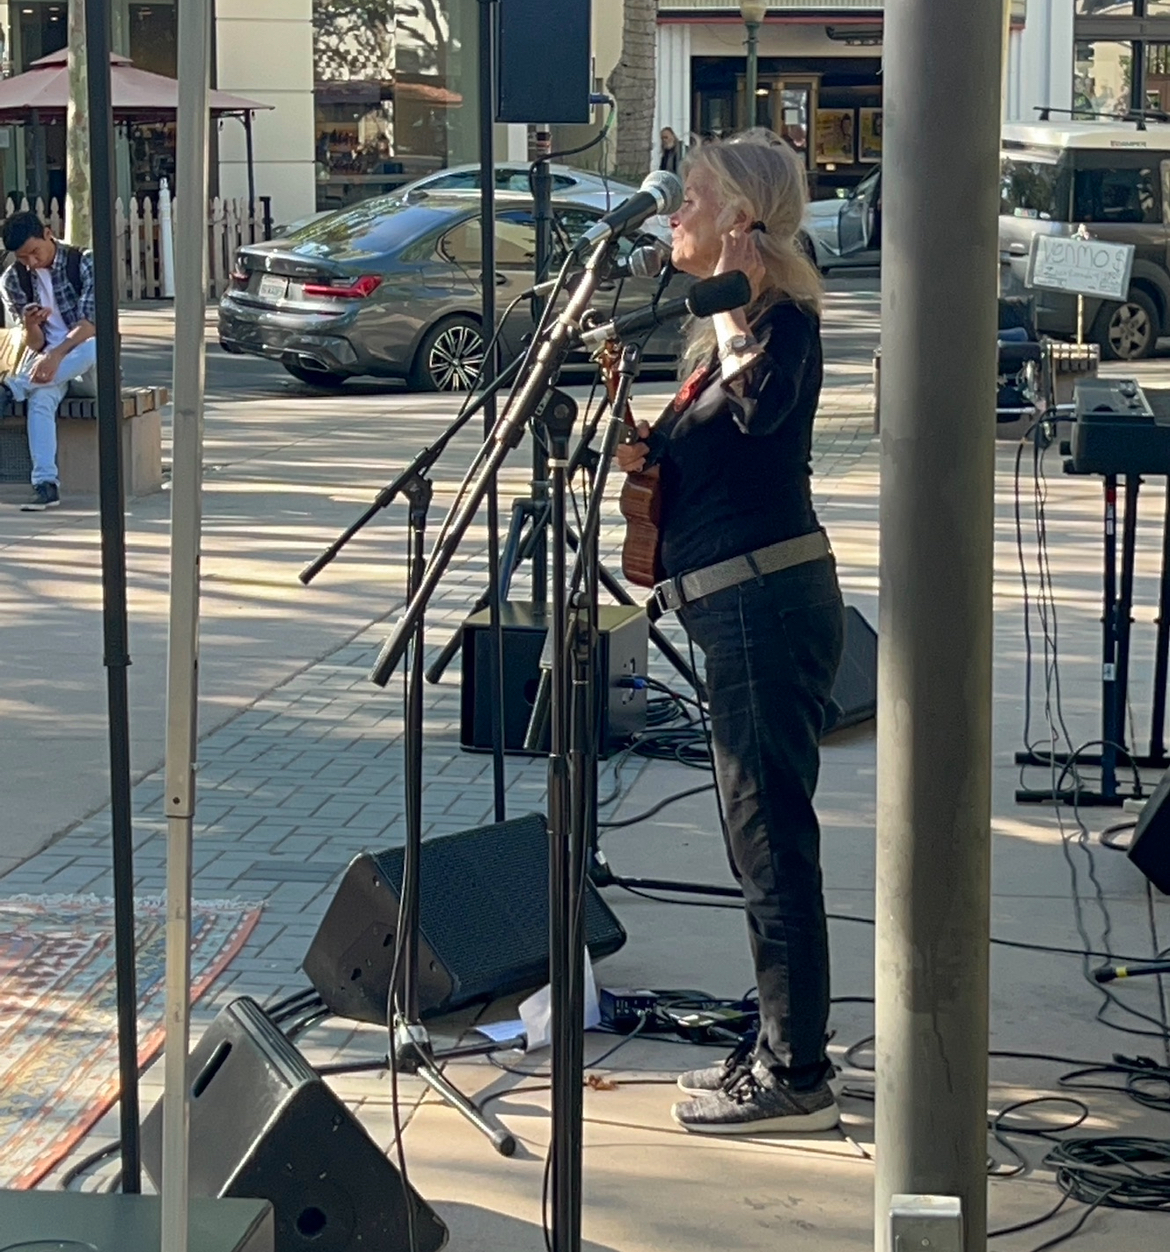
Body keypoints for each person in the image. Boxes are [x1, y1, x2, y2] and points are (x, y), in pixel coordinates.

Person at [616, 133, 844, 1135]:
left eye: (694, 197)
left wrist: (737, 302)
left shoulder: (780, 319)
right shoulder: (723, 330)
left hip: (768, 607)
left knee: (771, 845)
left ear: (743, 220)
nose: (676, 213)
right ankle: (779, 1045)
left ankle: (796, 1074)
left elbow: (761, 416)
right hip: (736, 609)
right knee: (760, 843)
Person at [1, 211, 98, 511]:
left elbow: (91, 324)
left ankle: (13, 388)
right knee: (41, 399)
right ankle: (45, 484)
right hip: (44, 367)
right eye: (22, 258)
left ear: (48, 234)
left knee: (97, 347)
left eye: (34, 252)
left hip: (84, 363)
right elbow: (34, 344)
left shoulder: (83, 262)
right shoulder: (13, 279)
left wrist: (57, 355)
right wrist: (31, 326)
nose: (31, 262)